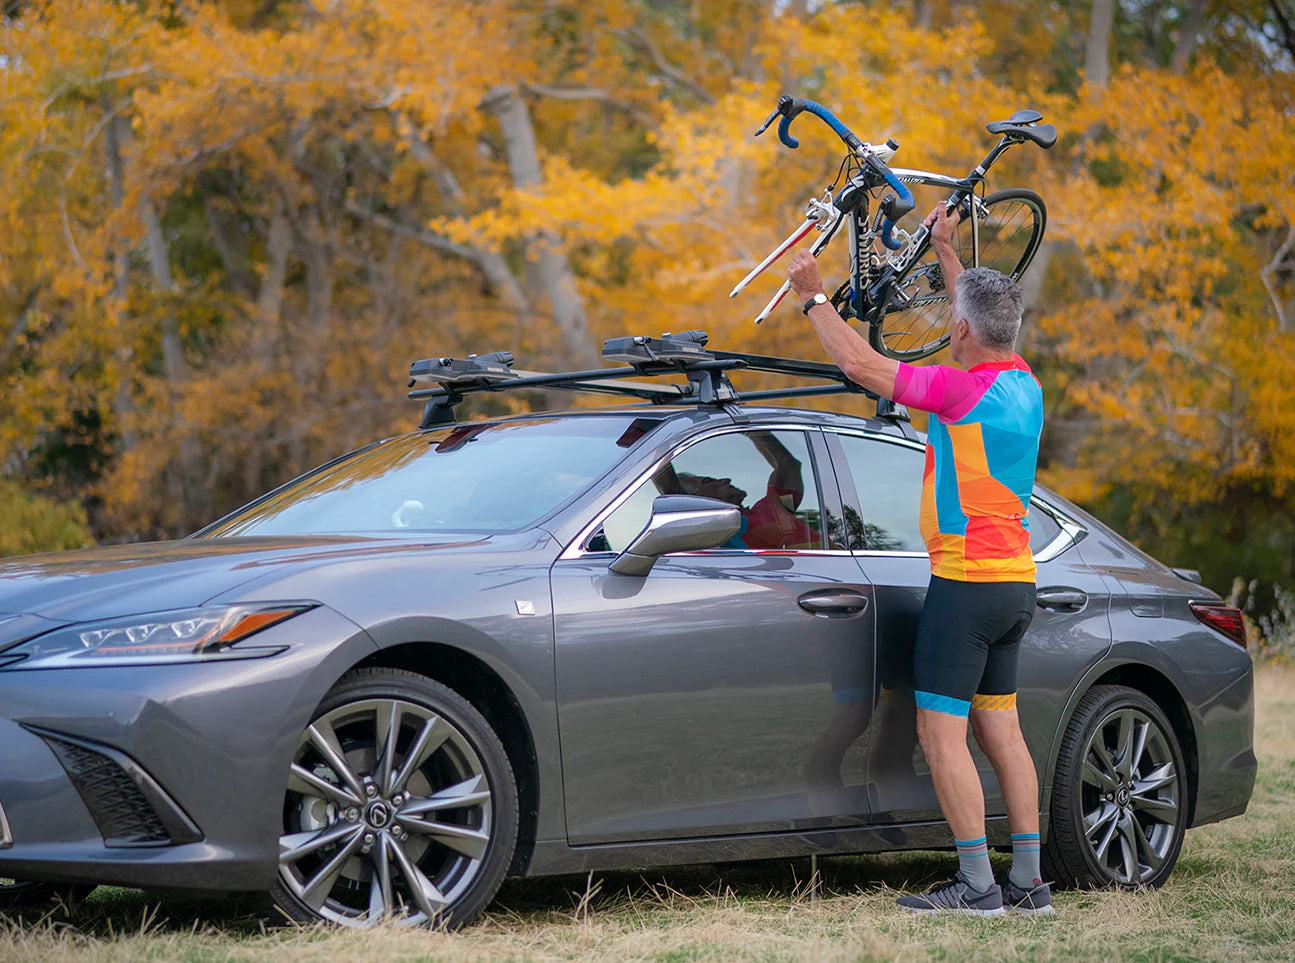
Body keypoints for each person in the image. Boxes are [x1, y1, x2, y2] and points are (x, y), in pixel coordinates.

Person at [786, 201, 1052, 917]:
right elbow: (975, 310)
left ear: (961, 331)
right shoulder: (1022, 384)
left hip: (965, 589)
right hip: (1014, 584)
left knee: (941, 736)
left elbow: (858, 363)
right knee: (1001, 731)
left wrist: (813, 296)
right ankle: (1028, 883)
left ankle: (977, 886)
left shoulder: (957, 391)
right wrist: (943, 248)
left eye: (954, 319)